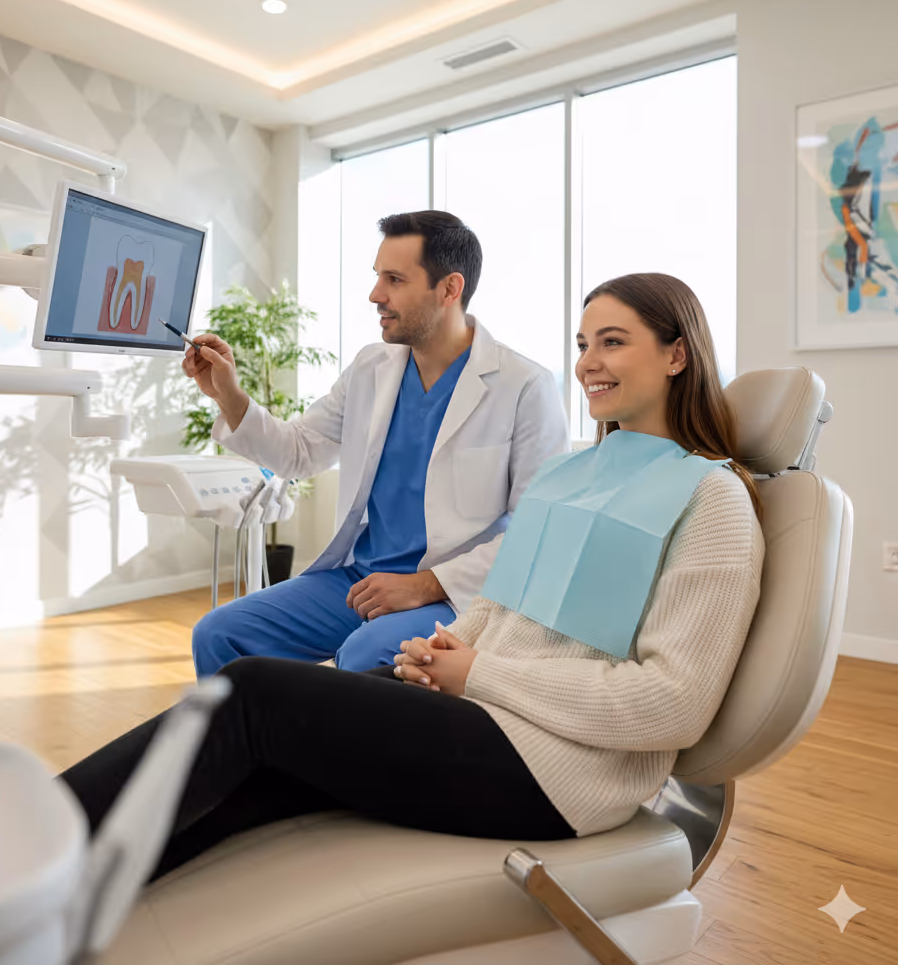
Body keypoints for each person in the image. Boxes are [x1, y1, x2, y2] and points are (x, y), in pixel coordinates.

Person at [60, 272, 764, 882]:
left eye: (613, 342)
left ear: (677, 354)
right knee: (250, 772)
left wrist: (479, 672)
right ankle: (66, 896)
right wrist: (441, 652)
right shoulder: (576, 476)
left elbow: (674, 704)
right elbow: (502, 607)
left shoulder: (712, 501)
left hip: (560, 770)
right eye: (582, 345)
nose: (588, 364)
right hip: (484, 715)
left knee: (254, 693)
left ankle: (37, 836)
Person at [185, 210, 569, 674]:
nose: (375, 295)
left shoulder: (525, 386)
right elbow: (299, 453)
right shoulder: (371, 367)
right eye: (377, 276)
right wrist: (228, 394)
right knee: (219, 634)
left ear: (450, 288)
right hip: (360, 580)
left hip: (453, 593)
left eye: (394, 280)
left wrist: (426, 584)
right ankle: (255, 727)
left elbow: (538, 535)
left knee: (364, 656)